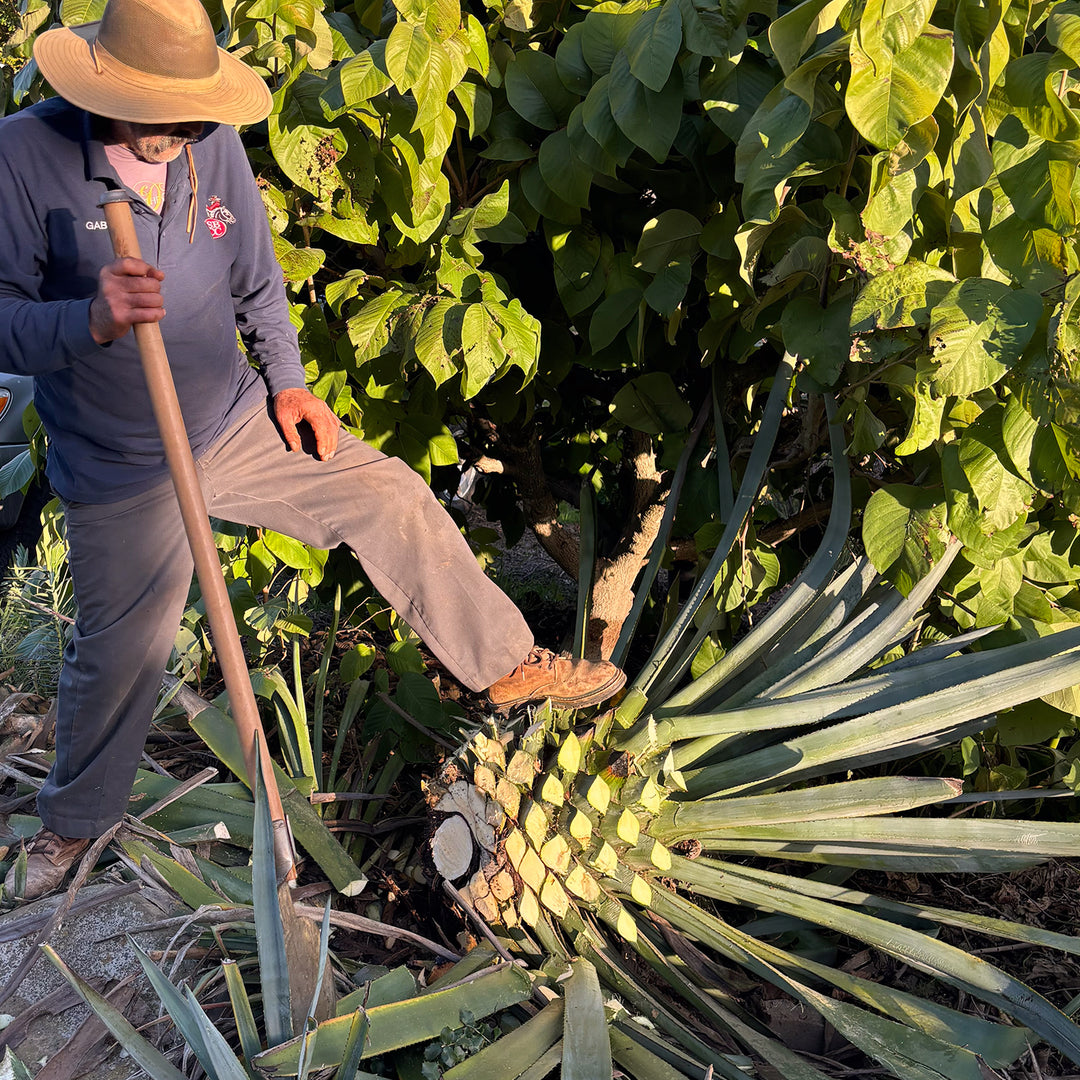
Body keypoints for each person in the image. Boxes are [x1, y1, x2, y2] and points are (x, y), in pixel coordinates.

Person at [0, 0, 625, 900]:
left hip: (236, 421)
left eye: (191, 110)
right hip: (120, 461)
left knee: (392, 495)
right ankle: (71, 830)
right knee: (122, 651)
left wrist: (289, 381)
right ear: (106, 86)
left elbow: (256, 279)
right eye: (158, 111)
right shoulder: (24, 159)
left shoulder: (209, 144)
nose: (178, 131)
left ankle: (499, 664)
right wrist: (87, 318)